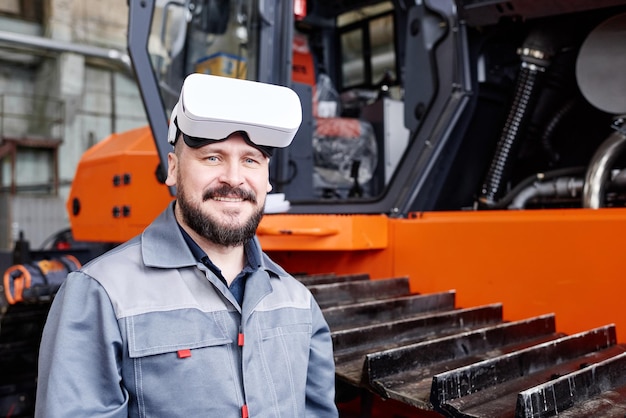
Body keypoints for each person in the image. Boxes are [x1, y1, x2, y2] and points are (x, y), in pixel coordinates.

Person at [35, 73, 338, 417]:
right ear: (173, 170)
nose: (234, 178)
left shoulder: (299, 301)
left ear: (267, 180)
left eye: (251, 160)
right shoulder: (100, 294)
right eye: (212, 157)